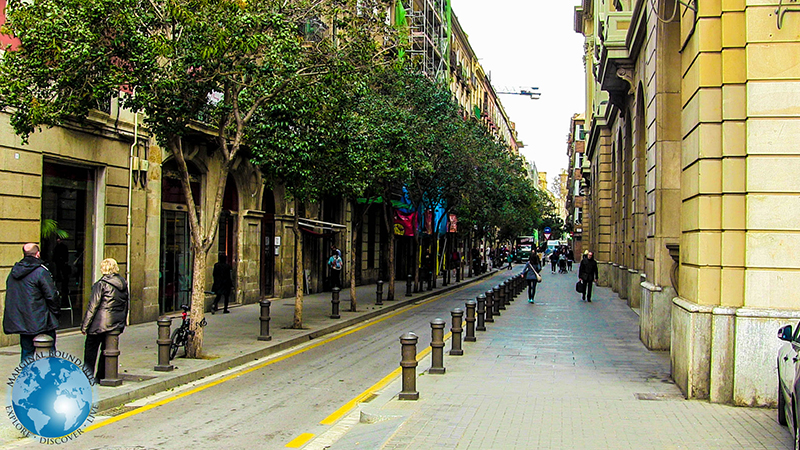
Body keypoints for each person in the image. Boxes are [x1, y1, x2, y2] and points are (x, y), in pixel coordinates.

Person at [4, 243, 61, 363]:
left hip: (23, 320)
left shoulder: (14, 272)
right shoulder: (41, 271)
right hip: (41, 320)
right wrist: (55, 313)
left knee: (26, 353)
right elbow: (51, 295)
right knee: (48, 353)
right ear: (38, 254)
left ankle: (25, 379)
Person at [81, 258, 128, 382]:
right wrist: (122, 323)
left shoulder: (101, 284)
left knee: (91, 350)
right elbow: (125, 306)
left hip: (99, 323)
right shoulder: (123, 283)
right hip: (115, 323)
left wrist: (85, 326)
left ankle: (88, 377)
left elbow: (93, 306)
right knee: (106, 351)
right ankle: (101, 375)